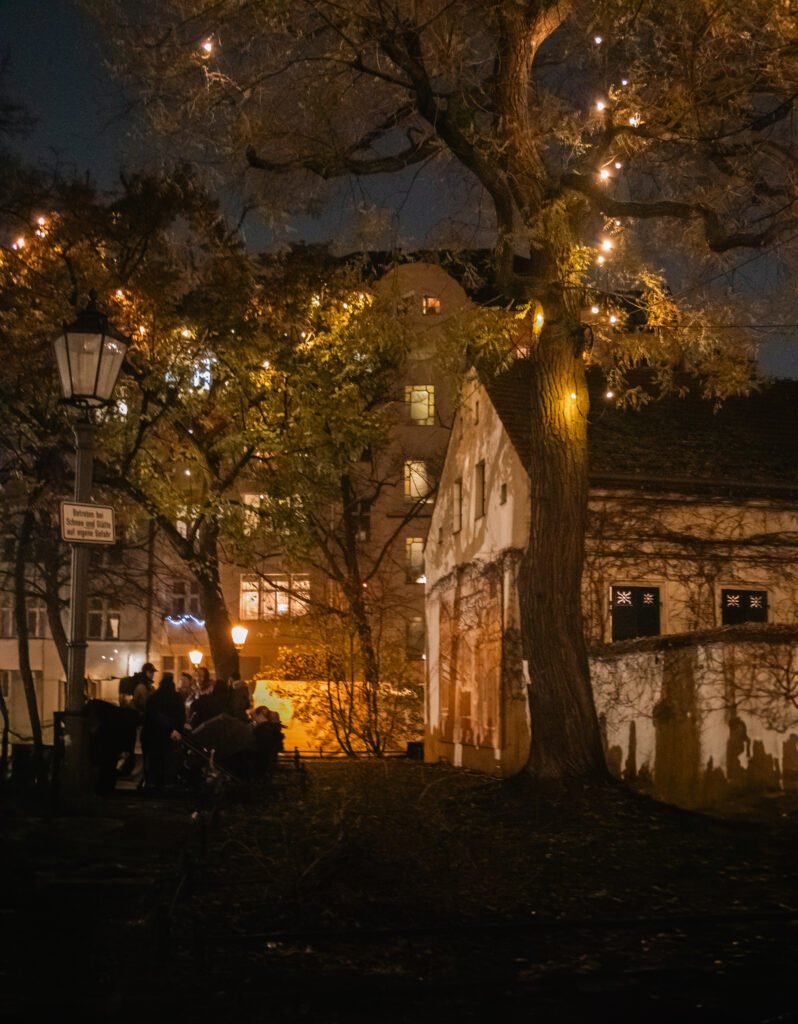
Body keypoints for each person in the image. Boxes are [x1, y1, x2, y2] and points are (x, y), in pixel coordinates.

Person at [140, 672, 185, 792]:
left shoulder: (153, 697)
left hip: (154, 734)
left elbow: (148, 717)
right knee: (168, 758)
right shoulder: (177, 697)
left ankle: (154, 782)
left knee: (155, 759)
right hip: (170, 734)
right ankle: (168, 783)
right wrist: (178, 730)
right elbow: (181, 716)